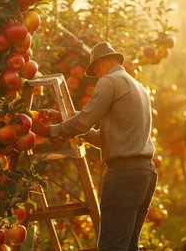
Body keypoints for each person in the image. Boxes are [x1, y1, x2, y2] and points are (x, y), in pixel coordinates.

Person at [31, 41, 157, 251]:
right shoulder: (140, 88)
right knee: (129, 246)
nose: (97, 76)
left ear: (101, 62)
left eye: (95, 70)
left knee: (111, 246)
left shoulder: (110, 81)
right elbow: (105, 139)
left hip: (123, 175)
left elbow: (84, 121)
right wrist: (63, 116)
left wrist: (49, 131)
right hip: (145, 173)